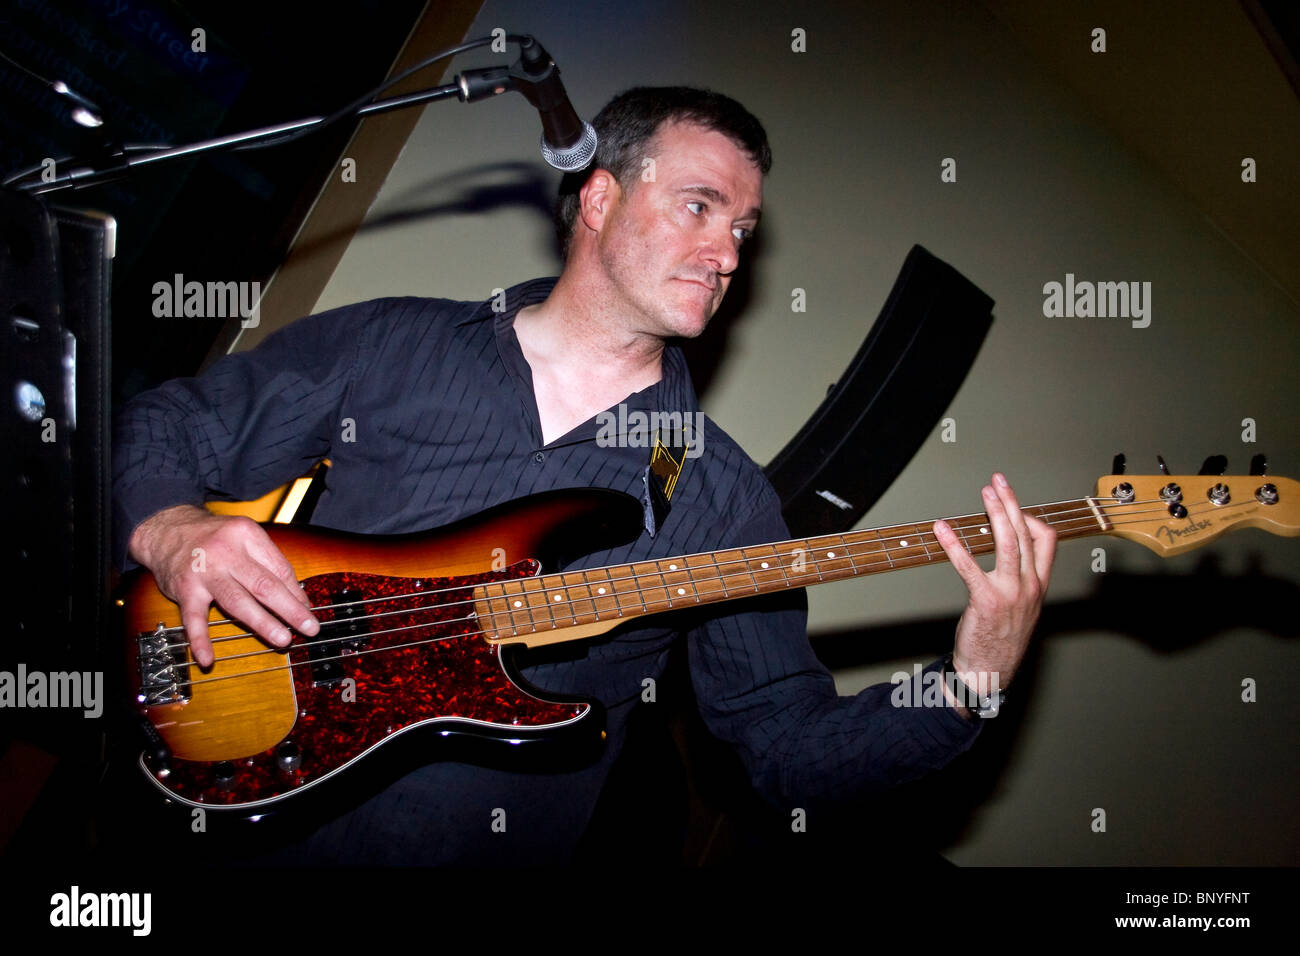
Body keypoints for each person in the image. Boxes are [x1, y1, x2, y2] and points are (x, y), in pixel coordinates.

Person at [114, 86, 1056, 865]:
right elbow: (168, 424)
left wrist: (969, 682)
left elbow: (786, 746)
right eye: (700, 206)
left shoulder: (724, 498)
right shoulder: (394, 342)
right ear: (600, 199)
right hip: (227, 809)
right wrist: (171, 528)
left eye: (744, 228)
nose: (728, 253)